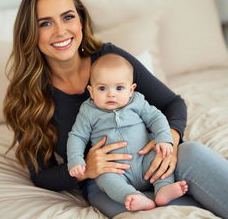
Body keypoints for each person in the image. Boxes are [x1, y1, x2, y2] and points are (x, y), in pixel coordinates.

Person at [3, 0, 228, 219]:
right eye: (45, 23)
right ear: (29, 32)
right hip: (106, 184)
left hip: (154, 160)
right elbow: (40, 175)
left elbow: (173, 103)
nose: (60, 31)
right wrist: (85, 170)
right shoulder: (25, 96)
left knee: (194, 153)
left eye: (68, 17)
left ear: (81, 20)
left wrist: (169, 143)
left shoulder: (109, 58)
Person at [67, 53, 188, 211]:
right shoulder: (88, 111)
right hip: (114, 168)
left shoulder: (137, 101)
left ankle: (163, 189)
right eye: (102, 88)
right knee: (105, 179)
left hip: (144, 158)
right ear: (91, 91)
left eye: (119, 88)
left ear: (131, 89)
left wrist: (164, 138)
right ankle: (132, 196)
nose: (111, 94)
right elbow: (77, 136)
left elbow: (156, 118)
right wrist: (76, 160)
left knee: (162, 159)